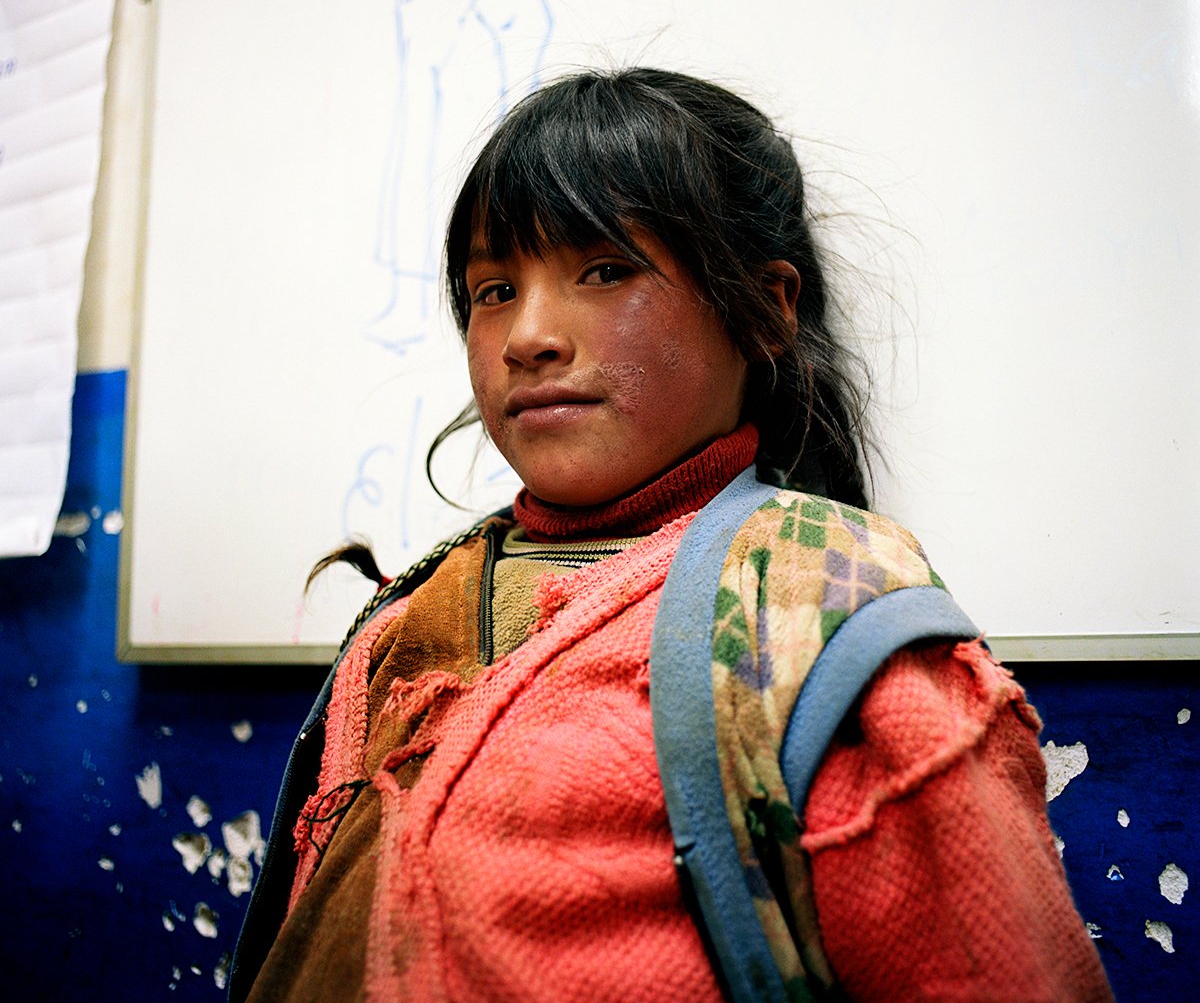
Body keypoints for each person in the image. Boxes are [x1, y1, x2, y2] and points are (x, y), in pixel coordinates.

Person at [230, 68, 1113, 1002]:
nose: (527, 334)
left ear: (767, 308)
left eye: (604, 270)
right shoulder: (413, 612)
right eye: (493, 289)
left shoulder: (829, 624)